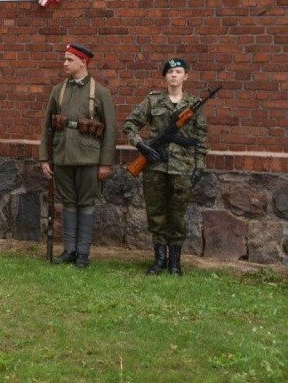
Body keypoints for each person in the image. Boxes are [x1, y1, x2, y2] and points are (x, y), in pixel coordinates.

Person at [123, 58, 208, 276]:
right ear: (165, 77)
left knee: (178, 215)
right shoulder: (152, 101)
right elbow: (130, 125)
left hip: (183, 168)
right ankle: (160, 259)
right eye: (170, 72)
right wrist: (141, 145)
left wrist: (199, 166)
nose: (174, 75)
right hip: (155, 167)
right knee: (157, 214)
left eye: (178, 71)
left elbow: (201, 138)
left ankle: (175, 262)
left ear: (185, 76)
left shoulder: (194, 104)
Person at [39, 43, 117, 268]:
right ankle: (69, 250)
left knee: (86, 204)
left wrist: (105, 163)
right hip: (63, 157)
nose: (65, 64)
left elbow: (110, 130)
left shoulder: (100, 92)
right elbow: (47, 127)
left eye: (69, 60)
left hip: (88, 159)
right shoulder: (58, 91)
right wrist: (45, 158)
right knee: (68, 203)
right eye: (65, 59)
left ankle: (83, 252)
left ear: (83, 61)